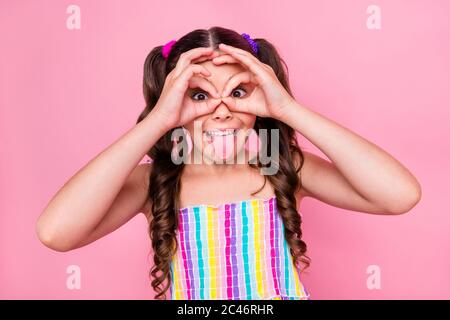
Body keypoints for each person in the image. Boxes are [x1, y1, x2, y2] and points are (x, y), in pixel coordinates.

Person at [36, 26, 422, 300]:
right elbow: (56, 233)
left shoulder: (279, 167)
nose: (222, 110)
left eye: (238, 91)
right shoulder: (153, 182)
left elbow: (400, 195)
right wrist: (158, 119)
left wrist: (287, 108)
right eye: (199, 96)